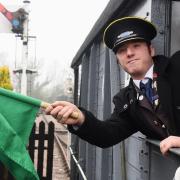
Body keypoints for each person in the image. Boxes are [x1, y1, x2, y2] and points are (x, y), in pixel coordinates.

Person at [46, 16, 180, 148]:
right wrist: (81, 118)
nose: (129, 53)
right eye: (122, 50)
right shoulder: (126, 99)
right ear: (118, 61)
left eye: (136, 46)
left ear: (151, 50)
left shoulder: (177, 67)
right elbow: (107, 135)